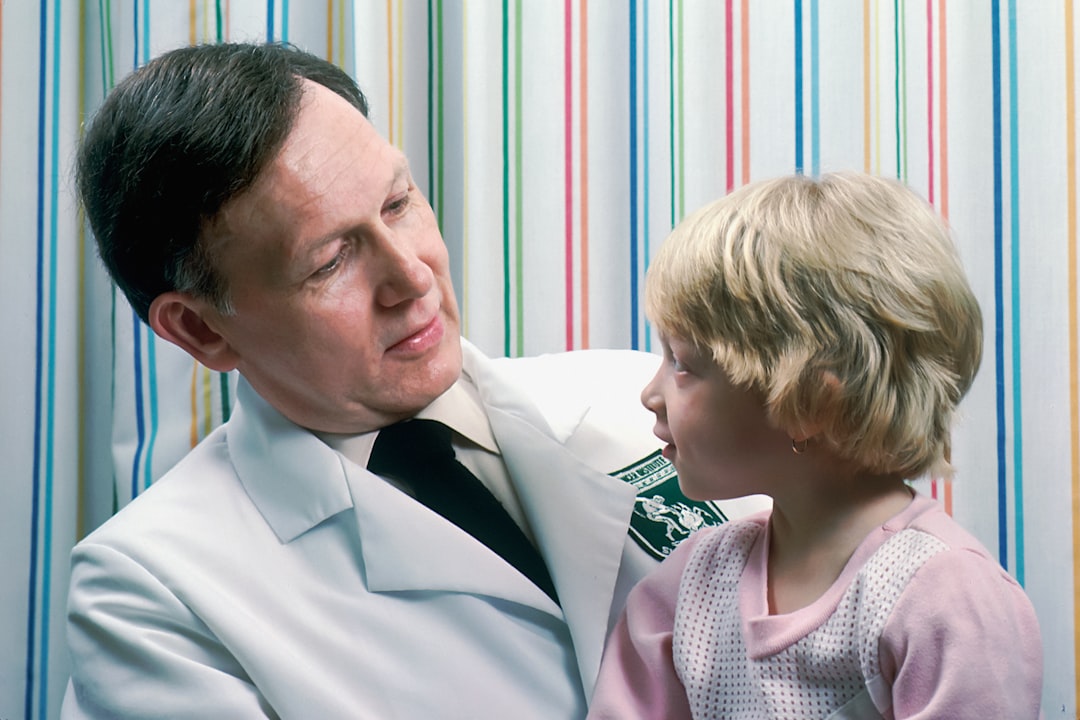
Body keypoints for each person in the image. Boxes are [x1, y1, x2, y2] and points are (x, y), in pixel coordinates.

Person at [62, 42, 768, 719]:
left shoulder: (638, 396)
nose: (412, 275)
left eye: (398, 204)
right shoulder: (154, 595)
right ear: (202, 330)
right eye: (331, 260)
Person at [587, 172, 1044, 719]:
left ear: (809, 405)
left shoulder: (943, 600)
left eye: (683, 364)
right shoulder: (691, 590)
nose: (650, 394)